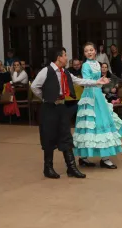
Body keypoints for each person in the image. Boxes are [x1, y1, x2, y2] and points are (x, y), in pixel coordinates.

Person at [31, 47, 110, 179]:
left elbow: (79, 80)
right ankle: (48, 168)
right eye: (65, 55)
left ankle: (71, 168)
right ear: (58, 57)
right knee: (49, 137)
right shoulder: (46, 71)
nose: (67, 58)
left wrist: (97, 82)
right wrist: (46, 98)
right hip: (49, 108)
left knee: (66, 136)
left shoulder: (64, 72)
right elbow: (34, 86)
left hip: (61, 107)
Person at [73, 42, 122, 169]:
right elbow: (87, 82)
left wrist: (103, 82)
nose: (89, 52)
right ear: (84, 53)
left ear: (95, 51)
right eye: (86, 51)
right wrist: (99, 82)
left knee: (102, 122)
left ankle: (105, 157)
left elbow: (99, 81)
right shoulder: (85, 65)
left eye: (91, 50)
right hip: (90, 96)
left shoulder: (98, 64)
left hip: (98, 94)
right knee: (90, 125)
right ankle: (84, 157)